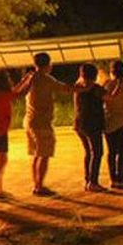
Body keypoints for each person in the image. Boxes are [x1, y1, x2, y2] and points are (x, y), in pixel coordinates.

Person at [24, 52, 77, 196]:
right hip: (41, 122)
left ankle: (37, 183)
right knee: (44, 154)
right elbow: (66, 88)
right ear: (48, 65)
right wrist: (83, 86)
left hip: (30, 120)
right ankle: (39, 186)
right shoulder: (46, 79)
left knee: (36, 154)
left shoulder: (31, 78)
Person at [0, 70, 28, 199]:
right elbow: (20, 93)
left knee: (0, 161)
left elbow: (15, 91)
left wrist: (24, 80)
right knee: (1, 161)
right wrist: (31, 80)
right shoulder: (2, 95)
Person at [74, 63, 108, 192]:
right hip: (93, 123)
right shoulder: (96, 88)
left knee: (89, 152)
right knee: (97, 152)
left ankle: (88, 180)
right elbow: (110, 97)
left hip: (79, 123)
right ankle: (93, 182)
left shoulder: (78, 86)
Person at [102, 61, 123, 189]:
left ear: (112, 72)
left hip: (109, 122)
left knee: (111, 152)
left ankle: (113, 179)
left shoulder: (106, 85)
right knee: (122, 152)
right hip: (122, 123)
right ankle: (120, 179)